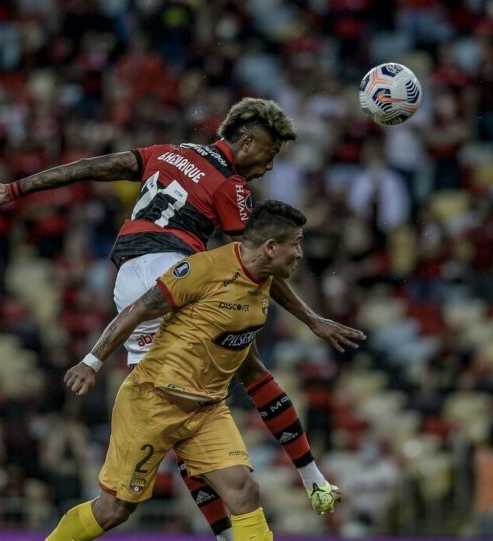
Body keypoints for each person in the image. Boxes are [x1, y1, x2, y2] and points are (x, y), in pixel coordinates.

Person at [0, 97, 362, 535]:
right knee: (228, 370)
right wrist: (311, 319)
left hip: (129, 274)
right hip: (171, 273)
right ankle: (291, 488)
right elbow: (258, 262)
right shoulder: (233, 186)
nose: (269, 164)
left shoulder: (173, 152)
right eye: (271, 152)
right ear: (247, 142)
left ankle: (241, 518)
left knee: (210, 380)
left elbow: (95, 166)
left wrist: (16, 189)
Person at [47, 200, 323, 541]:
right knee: (114, 510)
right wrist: (92, 361)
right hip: (152, 401)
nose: (299, 253)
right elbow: (138, 309)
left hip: (207, 409)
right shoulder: (203, 269)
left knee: (244, 491)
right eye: (295, 243)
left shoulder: (262, 280)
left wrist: (313, 321)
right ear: (269, 247)